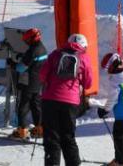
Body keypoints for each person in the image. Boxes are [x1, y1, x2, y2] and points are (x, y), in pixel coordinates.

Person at [40, 33, 93, 166]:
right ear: (84, 46)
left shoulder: (55, 54)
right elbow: (88, 83)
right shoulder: (84, 58)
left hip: (50, 100)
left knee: (51, 137)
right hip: (70, 102)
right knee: (68, 137)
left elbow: (42, 75)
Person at [10, 28, 48, 140]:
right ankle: (39, 129)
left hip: (28, 82)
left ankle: (22, 131)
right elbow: (33, 61)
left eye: (27, 40)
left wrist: (12, 64)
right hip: (38, 82)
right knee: (35, 105)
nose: (25, 42)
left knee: (23, 106)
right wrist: (22, 57)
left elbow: (21, 68)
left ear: (32, 39)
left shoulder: (32, 51)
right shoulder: (42, 48)